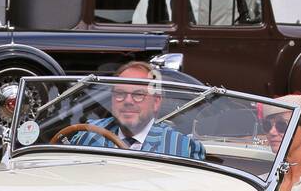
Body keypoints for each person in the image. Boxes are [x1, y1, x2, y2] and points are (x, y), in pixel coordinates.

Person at [62, 60, 205, 159]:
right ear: (111, 100)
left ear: (156, 102)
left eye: (138, 95)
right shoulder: (87, 135)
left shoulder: (182, 147)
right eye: (120, 94)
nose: (128, 101)